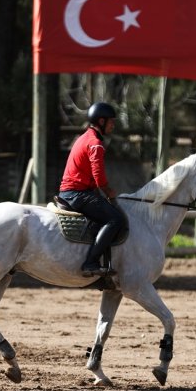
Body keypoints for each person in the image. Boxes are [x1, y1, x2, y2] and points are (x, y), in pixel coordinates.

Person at [58, 102, 124, 277]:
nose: (113, 124)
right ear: (101, 121)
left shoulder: (85, 137)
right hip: (77, 193)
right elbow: (99, 177)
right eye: (111, 121)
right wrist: (109, 192)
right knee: (116, 219)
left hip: (75, 191)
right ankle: (91, 263)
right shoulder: (95, 144)